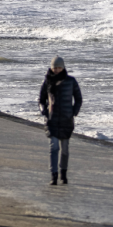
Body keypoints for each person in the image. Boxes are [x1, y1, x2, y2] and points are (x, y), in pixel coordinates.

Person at [39, 56, 83, 186]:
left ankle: (63, 173)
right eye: (55, 67)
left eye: (59, 67)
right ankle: (54, 175)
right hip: (52, 120)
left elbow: (79, 99)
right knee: (54, 148)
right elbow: (41, 100)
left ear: (63, 67)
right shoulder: (47, 81)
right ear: (51, 68)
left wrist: (73, 113)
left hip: (66, 120)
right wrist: (44, 112)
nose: (57, 70)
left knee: (64, 150)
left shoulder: (71, 81)